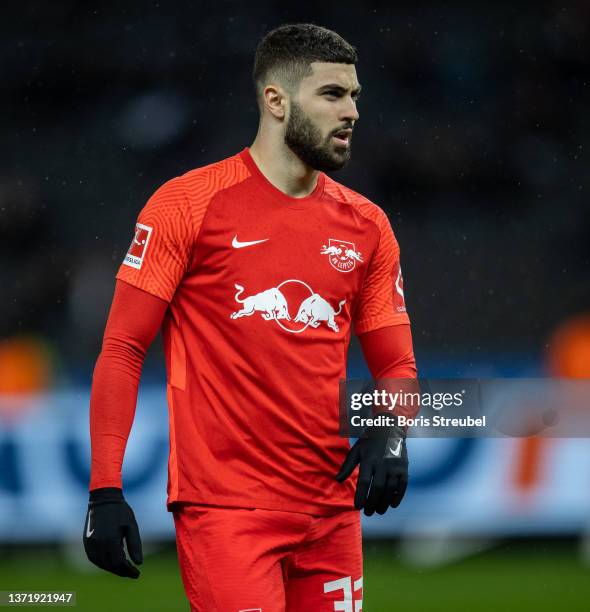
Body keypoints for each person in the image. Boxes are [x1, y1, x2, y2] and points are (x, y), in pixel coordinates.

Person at [83, 23, 417, 611]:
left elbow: (396, 362)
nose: (353, 112)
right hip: (227, 513)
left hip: (333, 517)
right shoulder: (187, 204)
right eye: (333, 95)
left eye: (356, 96)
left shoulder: (368, 225)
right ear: (276, 100)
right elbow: (122, 349)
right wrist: (105, 489)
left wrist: (391, 431)